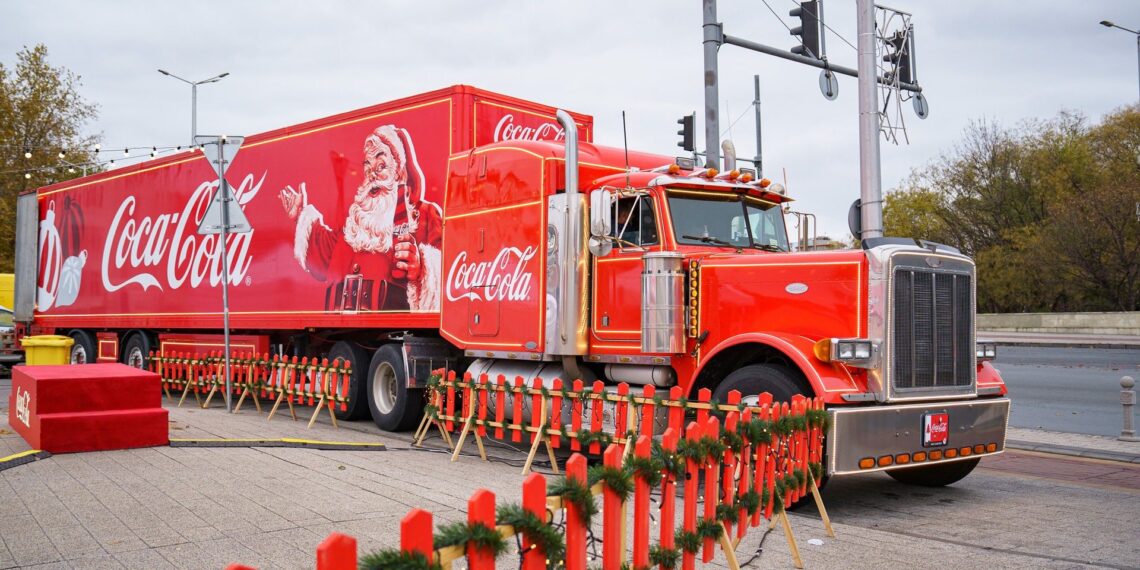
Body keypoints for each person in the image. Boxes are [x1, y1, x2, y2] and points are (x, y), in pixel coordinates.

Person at [279, 125, 442, 312]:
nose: (373, 175)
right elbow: (327, 253)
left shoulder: (425, 216)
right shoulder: (357, 220)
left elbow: (449, 271)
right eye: (368, 167)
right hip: (342, 320)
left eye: (381, 166)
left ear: (399, 170)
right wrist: (301, 215)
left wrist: (422, 268)